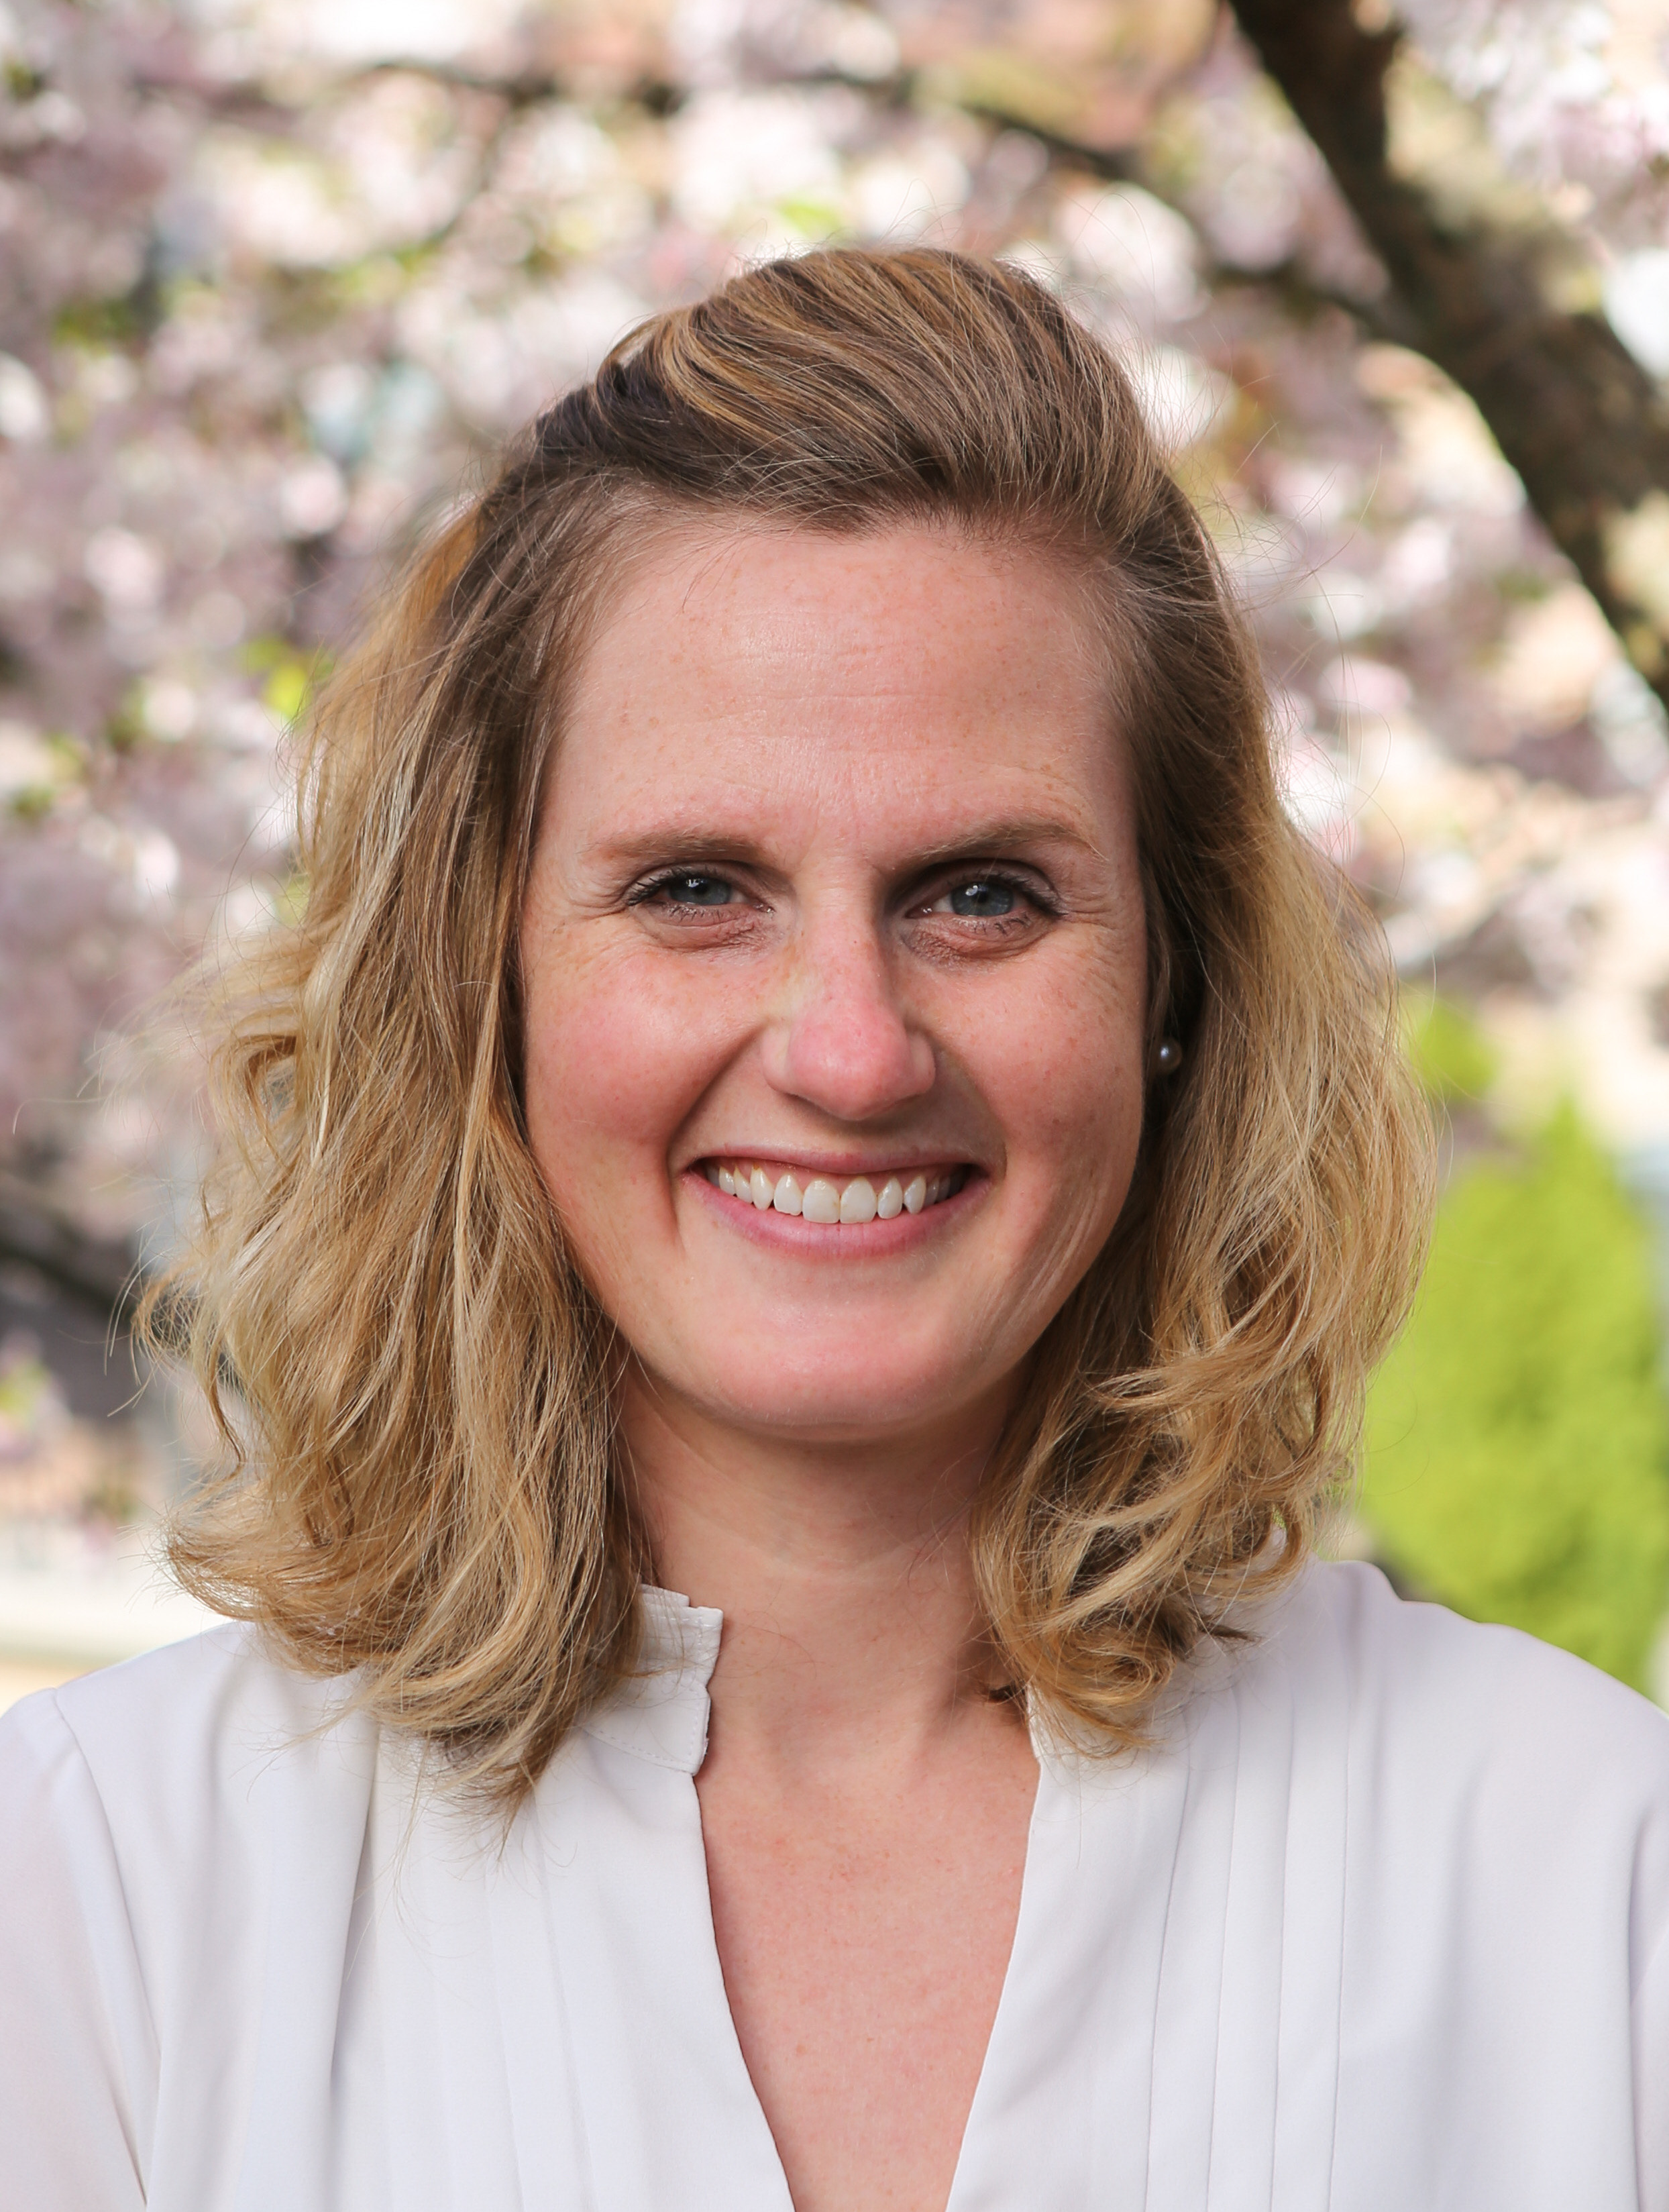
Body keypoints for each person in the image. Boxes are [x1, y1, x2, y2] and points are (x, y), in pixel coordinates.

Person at [1, 247, 1665, 2212]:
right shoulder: (96, 1900)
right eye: (700, 885)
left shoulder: (1583, 1876)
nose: (853, 1051)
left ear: (1179, 983)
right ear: (491, 978)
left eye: (982, 895)